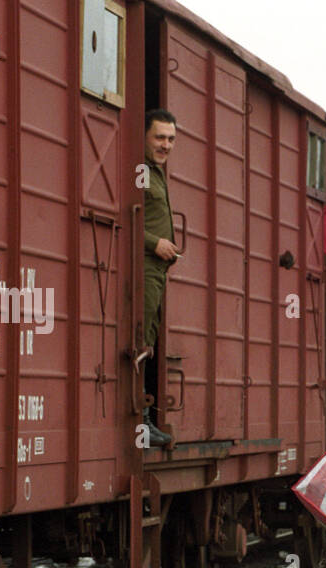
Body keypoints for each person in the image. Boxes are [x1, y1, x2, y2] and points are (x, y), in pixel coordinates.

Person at [142, 109, 180, 449]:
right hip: (142, 267)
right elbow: (123, 213)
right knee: (141, 339)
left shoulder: (156, 173)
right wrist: (155, 242)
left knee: (148, 337)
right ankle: (140, 423)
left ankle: (144, 421)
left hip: (156, 270)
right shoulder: (140, 171)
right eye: (159, 137)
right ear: (144, 137)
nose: (165, 145)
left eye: (170, 139)